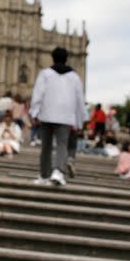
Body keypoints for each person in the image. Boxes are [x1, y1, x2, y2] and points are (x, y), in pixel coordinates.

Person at [30, 47, 87, 186]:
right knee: (62, 145)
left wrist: (34, 112)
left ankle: (44, 175)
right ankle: (58, 172)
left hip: (47, 113)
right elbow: (80, 99)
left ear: (52, 58)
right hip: (66, 116)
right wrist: (80, 121)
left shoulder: (45, 74)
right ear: (66, 58)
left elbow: (38, 94)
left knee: (46, 146)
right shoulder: (74, 77)